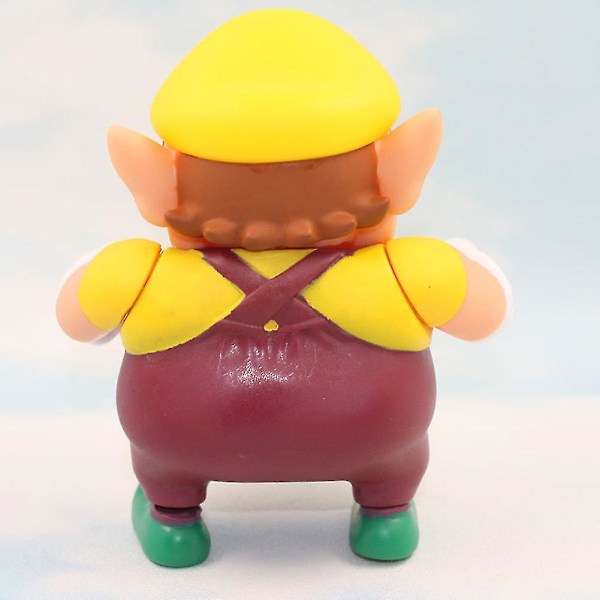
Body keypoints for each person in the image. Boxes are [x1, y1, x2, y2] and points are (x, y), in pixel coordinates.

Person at [56, 8, 510, 567]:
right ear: (399, 174)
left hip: (185, 439)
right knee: (393, 455)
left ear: (155, 184)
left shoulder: (139, 272)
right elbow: (486, 317)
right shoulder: (409, 271)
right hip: (370, 436)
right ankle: (386, 517)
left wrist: (105, 273)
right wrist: (456, 262)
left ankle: (174, 521)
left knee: (164, 460)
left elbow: (74, 322)